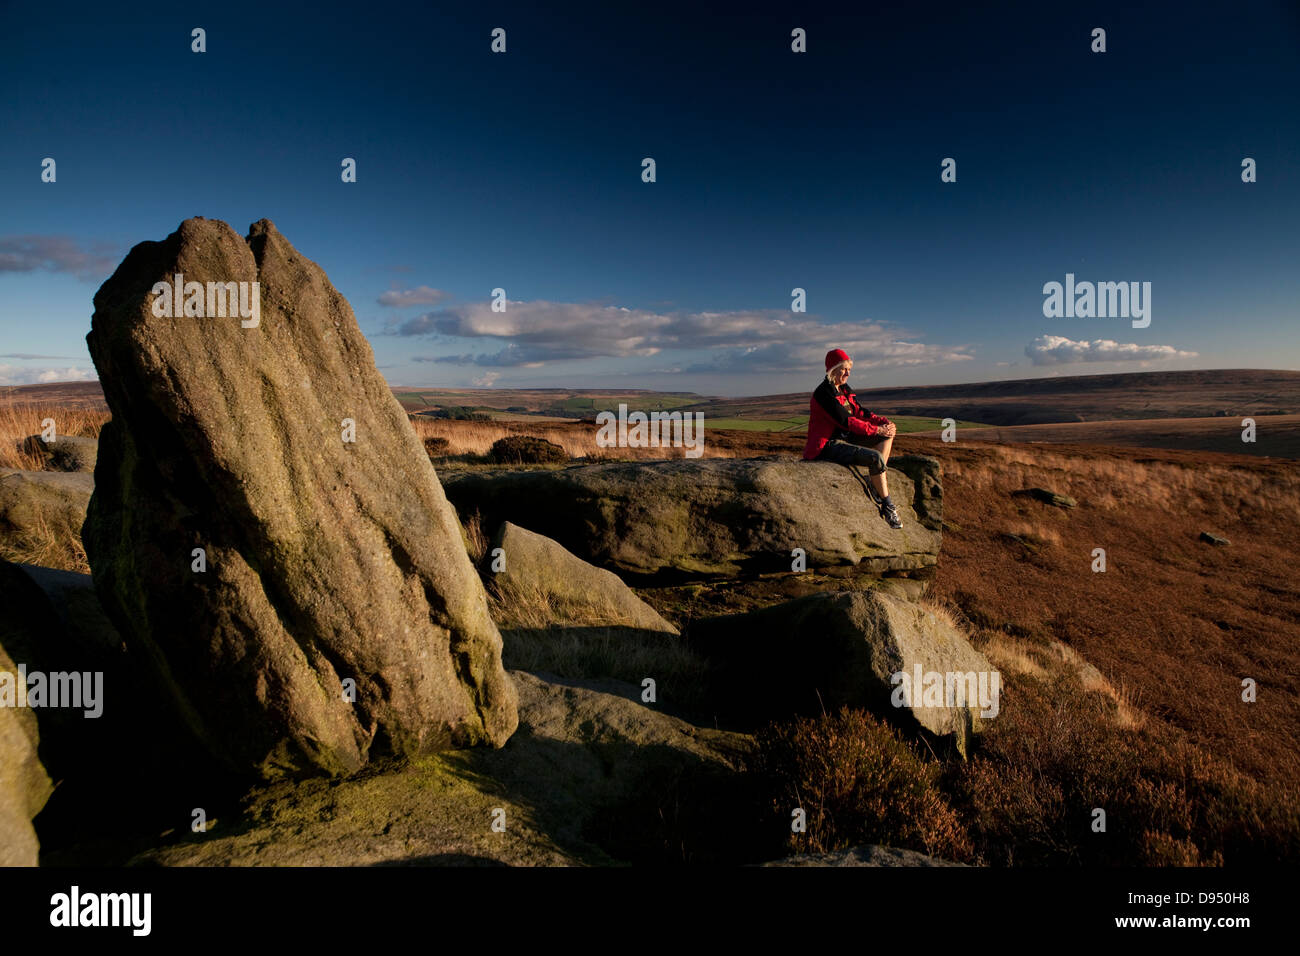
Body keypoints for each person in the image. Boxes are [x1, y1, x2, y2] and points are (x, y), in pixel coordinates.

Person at [802, 348, 903, 528]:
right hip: (826, 446)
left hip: (846, 438)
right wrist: (877, 430)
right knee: (875, 458)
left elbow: (860, 412)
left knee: (888, 436)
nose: (848, 373)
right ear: (833, 369)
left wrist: (885, 424)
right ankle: (887, 505)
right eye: (844, 369)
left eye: (849, 369)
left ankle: (875, 481)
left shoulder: (844, 389)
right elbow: (846, 421)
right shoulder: (823, 393)